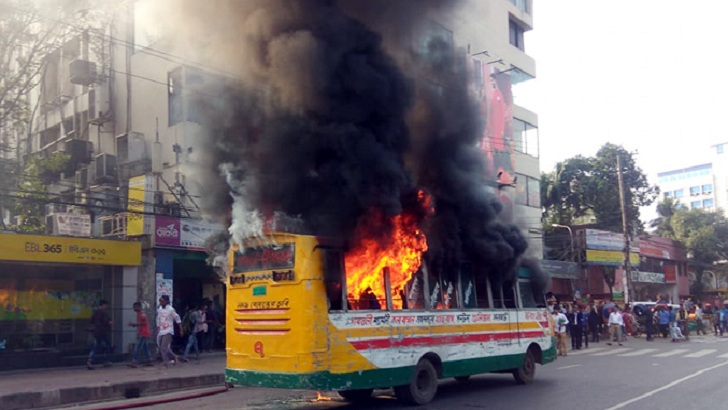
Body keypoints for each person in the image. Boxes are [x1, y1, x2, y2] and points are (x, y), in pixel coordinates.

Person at [157, 295, 183, 368]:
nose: (161, 302)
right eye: (160, 301)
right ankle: (174, 357)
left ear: (166, 301)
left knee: (163, 347)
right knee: (162, 347)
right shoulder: (160, 309)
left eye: (162, 301)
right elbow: (158, 319)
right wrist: (158, 328)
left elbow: (177, 318)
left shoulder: (171, 309)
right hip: (161, 330)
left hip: (168, 330)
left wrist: (181, 329)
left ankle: (165, 362)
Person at [87, 300, 112, 370]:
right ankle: (105, 360)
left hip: (96, 332)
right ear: (103, 305)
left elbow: (91, 321)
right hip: (102, 332)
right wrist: (109, 322)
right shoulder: (103, 313)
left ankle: (90, 361)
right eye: (105, 305)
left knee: (95, 347)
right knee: (107, 346)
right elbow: (106, 322)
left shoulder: (95, 313)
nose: (106, 307)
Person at [128, 302, 152, 367]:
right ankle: (149, 360)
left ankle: (135, 361)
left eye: (134, 307)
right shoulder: (140, 313)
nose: (133, 308)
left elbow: (143, 322)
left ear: (138, 307)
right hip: (143, 332)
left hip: (144, 333)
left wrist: (134, 324)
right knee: (145, 347)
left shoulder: (142, 313)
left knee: (138, 347)